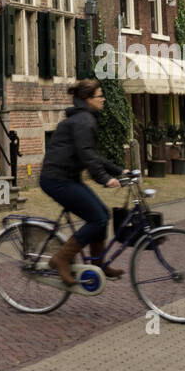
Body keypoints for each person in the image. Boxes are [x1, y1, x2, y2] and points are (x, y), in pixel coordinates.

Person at [39, 81, 124, 285]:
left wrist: (119, 171)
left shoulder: (85, 118)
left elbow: (91, 154)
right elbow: (86, 155)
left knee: (103, 214)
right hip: (56, 179)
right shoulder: (84, 121)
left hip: (67, 178)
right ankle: (60, 259)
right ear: (88, 99)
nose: (103, 99)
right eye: (99, 96)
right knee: (98, 219)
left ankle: (98, 264)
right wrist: (105, 179)